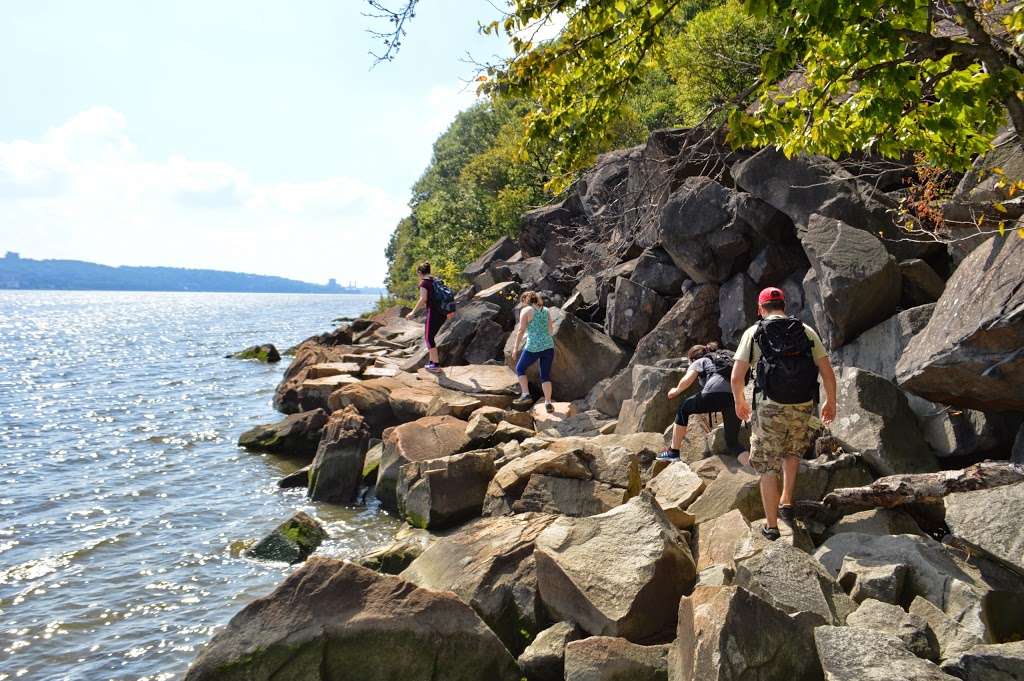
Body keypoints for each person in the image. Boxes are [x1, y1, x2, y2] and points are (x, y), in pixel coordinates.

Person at [730, 286, 837, 541]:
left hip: (769, 406)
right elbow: (827, 371)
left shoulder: (754, 332)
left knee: (767, 465)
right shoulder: (805, 330)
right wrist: (830, 402)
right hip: (802, 403)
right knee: (792, 451)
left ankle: (771, 527)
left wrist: (739, 401)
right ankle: (786, 501)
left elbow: (736, 377)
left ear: (760, 308)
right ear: (783, 307)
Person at [657, 342, 744, 462]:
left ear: (692, 359)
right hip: (736, 397)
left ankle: (673, 452)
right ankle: (756, 472)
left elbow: (687, 379)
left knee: (684, 408)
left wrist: (676, 390)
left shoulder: (701, 361)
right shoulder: (722, 362)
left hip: (715, 392)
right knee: (733, 443)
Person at [512, 291, 556, 411]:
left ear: (526, 300)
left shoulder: (526, 311)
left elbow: (521, 330)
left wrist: (515, 348)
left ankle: (525, 394)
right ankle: (548, 403)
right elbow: (551, 330)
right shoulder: (546, 310)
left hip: (533, 347)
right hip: (548, 346)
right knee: (545, 375)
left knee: (520, 368)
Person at [406, 262, 445, 373]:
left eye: (418, 273)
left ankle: (436, 365)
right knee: (431, 337)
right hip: (442, 313)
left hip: (433, 313)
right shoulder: (436, 280)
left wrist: (413, 312)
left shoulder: (424, 283)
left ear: (420, 272)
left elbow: (423, 299)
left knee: (428, 338)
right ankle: (432, 363)